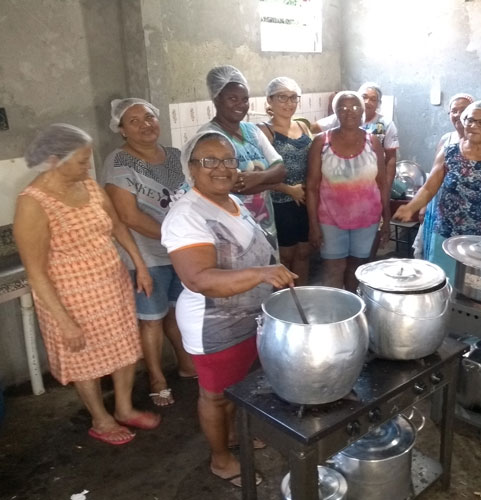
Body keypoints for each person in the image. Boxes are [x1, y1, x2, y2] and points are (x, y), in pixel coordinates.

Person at [161, 131, 297, 487]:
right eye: (209, 161)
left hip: (247, 314)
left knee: (239, 387)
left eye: (228, 160)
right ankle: (220, 459)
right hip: (213, 321)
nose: (221, 168)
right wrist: (262, 274)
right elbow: (199, 279)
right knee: (216, 396)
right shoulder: (187, 215)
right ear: (191, 167)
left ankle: (234, 436)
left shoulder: (231, 200)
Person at [14, 124, 161, 446]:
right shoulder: (34, 203)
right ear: (54, 160)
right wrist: (64, 322)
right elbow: (36, 272)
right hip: (70, 299)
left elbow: (118, 227)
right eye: (81, 161)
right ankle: (101, 418)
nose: (87, 167)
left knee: (124, 350)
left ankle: (123, 407)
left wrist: (140, 266)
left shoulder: (90, 186)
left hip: (112, 286)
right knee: (86, 361)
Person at [104, 98, 196, 407]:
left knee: (176, 310)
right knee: (152, 319)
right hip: (145, 255)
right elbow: (128, 216)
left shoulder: (173, 155)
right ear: (121, 130)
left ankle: (185, 364)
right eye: (134, 121)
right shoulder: (118, 162)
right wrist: (175, 236)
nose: (146, 124)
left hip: (180, 250)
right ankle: (156, 377)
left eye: (149, 117)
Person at [392, 100, 481, 282]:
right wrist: (411, 207)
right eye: (470, 120)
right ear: (463, 122)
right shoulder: (449, 153)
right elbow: (428, 187)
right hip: (447, 232)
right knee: (442, 283)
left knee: (475, 286)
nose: (474, 126)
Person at [306, 91, 390, 291]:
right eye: (342, 108)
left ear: (363, 111)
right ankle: (335, 313)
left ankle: (352, 309)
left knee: (357, 267)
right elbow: (311, 186)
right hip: (330, 219)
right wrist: (313, 225)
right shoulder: (321, 142)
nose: (349, 112)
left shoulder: (373, 142)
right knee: (333, 268)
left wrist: (386, 220)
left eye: (354, 107)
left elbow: (382, 183)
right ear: (334, 112)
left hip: (367, 219)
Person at [199, 65, 286, 239]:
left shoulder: (252, 131)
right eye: (232, 98)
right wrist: (272, 180)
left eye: (245, 99)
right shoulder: (210, 137)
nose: (240, 105)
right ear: (217, 99)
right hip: (230, 230)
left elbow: (282, 170)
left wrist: (257, 178)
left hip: (265, 225)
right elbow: (235, 186)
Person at [259, 77, 313, 284]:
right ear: (269, 100)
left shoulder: (302, 126)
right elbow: (258, 175)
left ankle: (304, 299)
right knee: (285, 257)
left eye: (293, 98)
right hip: (279, 205)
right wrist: (289, 190)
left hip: (305, 202)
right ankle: (283, 306)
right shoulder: (264, 131)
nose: (289, 103)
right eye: (282, 97)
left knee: (304, 253)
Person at [413, 92, 475, 259]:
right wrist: (424, 206)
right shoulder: (446, 140)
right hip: (440, 205)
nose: (459, 114)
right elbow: (434, 176)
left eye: (464, 110)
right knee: (436, 252)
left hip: (469, 211)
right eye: (454, 111)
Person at [315, 82, 399, 189]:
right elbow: (313, 127)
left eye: (373, 99)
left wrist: (386, 187)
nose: (368, 102)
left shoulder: (386, 124)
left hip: (372, 181)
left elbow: (391, 159)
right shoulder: (343, 117)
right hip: (341, 180)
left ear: (378, 103)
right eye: (364, 97)